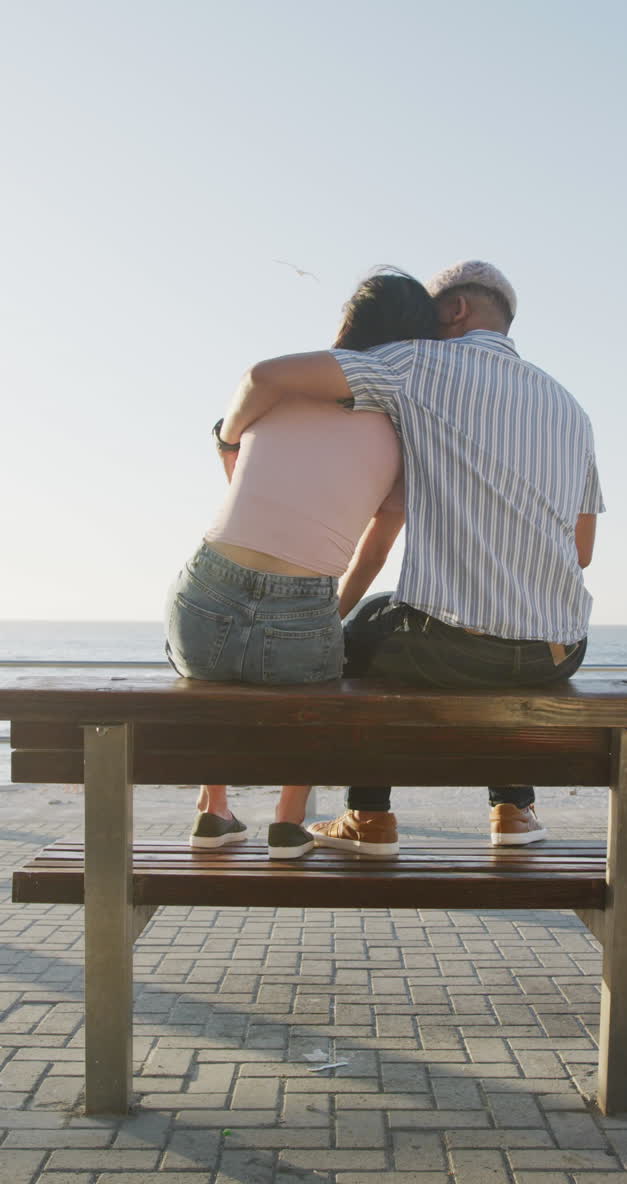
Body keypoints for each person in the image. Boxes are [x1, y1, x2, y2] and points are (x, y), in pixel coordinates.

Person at [214, 259, 604, 855]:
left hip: (451, 647)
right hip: (560, 651)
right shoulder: (571, 408)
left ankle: (367, 817)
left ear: (455, 310)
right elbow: (580, 552)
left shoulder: (420, 361)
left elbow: (265, 377)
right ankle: (513, 809)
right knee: (489, 647)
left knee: (369, 629)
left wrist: (227, 440)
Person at [164, 270, 439, 857]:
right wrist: (329, 612)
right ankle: (287, 825)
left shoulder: (282, 391)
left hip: (207, 592)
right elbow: (380, 542)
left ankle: (214, 810)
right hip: (306, 602)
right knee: (320, 692)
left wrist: (228, 440)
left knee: (207, 684)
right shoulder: (407, 429)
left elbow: (242, 451)